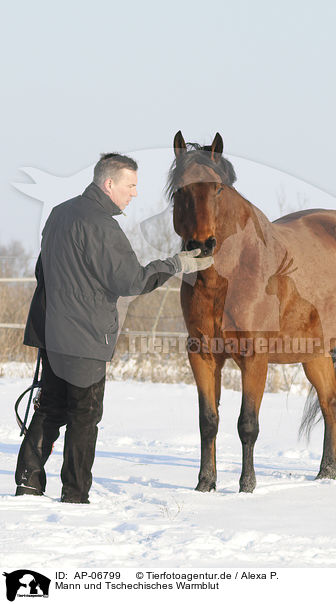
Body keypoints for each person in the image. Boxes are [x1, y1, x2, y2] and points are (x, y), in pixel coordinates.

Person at [15, 153, 213, 503]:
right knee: (84, 416)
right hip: (84, 337)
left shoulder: (60, 212)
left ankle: (28, 484)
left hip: (51, 332)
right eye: (130, 185)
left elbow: (42, 271)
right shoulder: (102, 225)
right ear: (109, 184)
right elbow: (130, 280)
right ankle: (75, 495)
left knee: (50, 409)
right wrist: (177, 263)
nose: (135, 193)